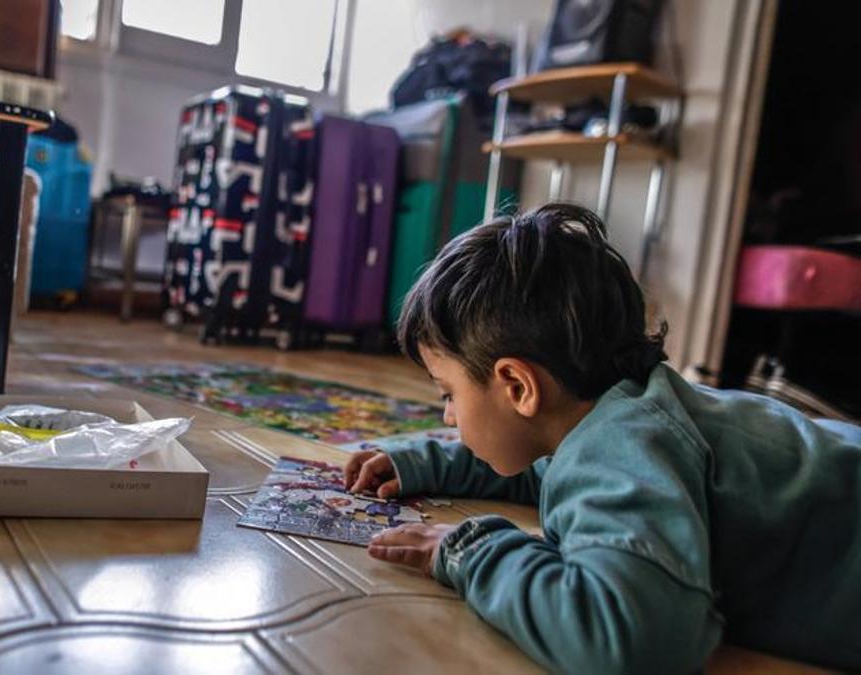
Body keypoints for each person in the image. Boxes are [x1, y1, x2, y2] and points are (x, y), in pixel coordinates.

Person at [344, 203, 861, 673]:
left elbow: (633, 641)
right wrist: (423, 461)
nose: (449, 417)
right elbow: (538, 459)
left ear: (517, 386)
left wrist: (470, 552)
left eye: (448, 394)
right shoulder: (617, 410)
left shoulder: (621, 449)